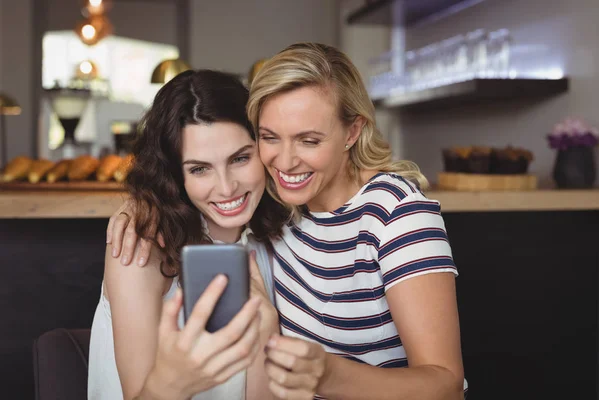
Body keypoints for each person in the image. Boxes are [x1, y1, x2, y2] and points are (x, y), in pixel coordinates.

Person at [110, 43, 467, 400]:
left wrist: (327, 375)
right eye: (269, 138)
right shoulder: (281, 206)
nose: (285, 162)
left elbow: (446, 386)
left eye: (309, 140)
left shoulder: (394, 214)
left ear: (353, 131)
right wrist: (143, 202)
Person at [88, 69, 287, 400]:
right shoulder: (142, 247)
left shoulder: (276, 235)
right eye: (199, 168)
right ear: (174, 175)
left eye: (240, 158)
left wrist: (265, 336)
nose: (226, 188)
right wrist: (176, 379)